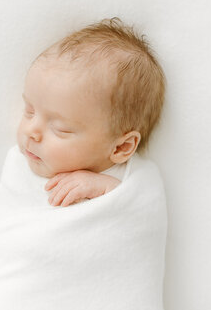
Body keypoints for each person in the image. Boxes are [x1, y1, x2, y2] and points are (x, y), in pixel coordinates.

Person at [16, 16, 166, 206]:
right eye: (29, 112)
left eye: (60, 129)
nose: (31, 132)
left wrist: (107, 189)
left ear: (121, 147)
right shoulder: (17, 166)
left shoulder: (134, 178)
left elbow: (146, 214)